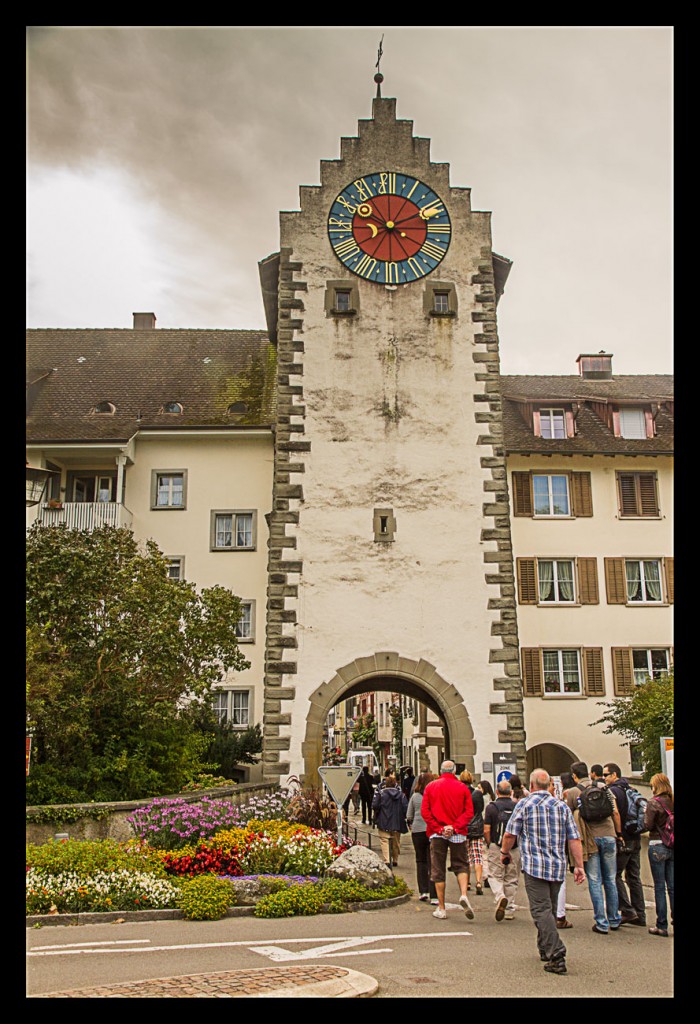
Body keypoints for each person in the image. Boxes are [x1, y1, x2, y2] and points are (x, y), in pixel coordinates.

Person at [502, 769, 585, 976]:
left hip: (534, 866)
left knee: (540, 911)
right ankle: (545, 949)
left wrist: (504, 851)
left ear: (531, 786)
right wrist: (579, 865)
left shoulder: (524, 804)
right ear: (549, 785)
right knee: (548, 908)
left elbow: (510, 833)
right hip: (557, 867)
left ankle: (556, 953)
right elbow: (574, 838)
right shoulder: (561, 807)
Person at [565, 761, 622, 934]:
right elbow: (615, 812)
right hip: (609, 835)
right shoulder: (604, 788)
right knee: (610, 879)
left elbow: (568, 818)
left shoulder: (574, 792)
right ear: (589, 773)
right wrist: (618, 834)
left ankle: (601, 922)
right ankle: (614, 919)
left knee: (595, 880)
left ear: (575, 776)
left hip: (590, 840)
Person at [421, 759, 475, 920]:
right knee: (461, 865)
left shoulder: (431, 787)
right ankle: (464, 894)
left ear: (441, 770)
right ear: (453, 772)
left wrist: (439, 828)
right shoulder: (462, 788)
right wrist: (455, 827)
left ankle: (441, 907)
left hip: (438, 834)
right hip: (457, 833)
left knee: (438, 869)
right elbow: (469, 812)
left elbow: (425, 812)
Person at [603, 761, 647, 926]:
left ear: (614, 775)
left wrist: (619, 833)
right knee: (634, 877)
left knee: (614, 875)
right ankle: (640, 914)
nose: (604, 778)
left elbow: (615, 813)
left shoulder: (613, 791)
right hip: (635, 837)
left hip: (623, 838)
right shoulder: (631, 789)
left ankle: (627, 911)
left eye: (606, 774)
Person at [483, 778, 519, 920]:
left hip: (496, 845)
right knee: (511, 877)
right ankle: (509, 909)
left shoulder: (491, 807)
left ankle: (500, 896)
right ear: (511, 792)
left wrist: (489, 843)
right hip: (514, 846)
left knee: (495, 875)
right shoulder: (517, 806)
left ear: (497, 792)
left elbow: (487, 829)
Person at [644, 772, 674, 937]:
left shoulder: (653, 803)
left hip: (657, 845)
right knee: (673, 887)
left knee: (660, 887)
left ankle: (661, 924)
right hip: (672, 845)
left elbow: (648, 825)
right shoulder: (672, 801)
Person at [406, 771, 438, 903]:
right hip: (432, 830)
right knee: (433, 862)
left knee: (420, 861)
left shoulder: (415, 796)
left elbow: (409, 815)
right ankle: (434, 894)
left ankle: (423, 891)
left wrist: (412, 824)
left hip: (418, 830)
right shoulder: (435, 795)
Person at [371, 773, 408, 868]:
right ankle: (395, 859)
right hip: (397, 820)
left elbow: (375, 805)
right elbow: (405, 807)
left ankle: (387, 860)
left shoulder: (381, 794)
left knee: (384, 840)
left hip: (383, 819)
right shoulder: (401, 795)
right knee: (396, 841)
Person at [459, 770, 486, 894]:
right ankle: (479, 882)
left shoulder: (458, 792)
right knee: (477, 856)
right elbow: (480, 809)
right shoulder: (477, 793)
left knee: (466, 857)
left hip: (463, 827)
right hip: (476, 827)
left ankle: (468, 882)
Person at [478, 780, 496, 888]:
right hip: (492, 828)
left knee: (484, 854)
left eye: (480, 788)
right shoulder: (493, 799)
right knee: (491, 853)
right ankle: (492, 874)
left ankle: (486, 876)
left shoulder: (482, 799)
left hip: (483, 825)